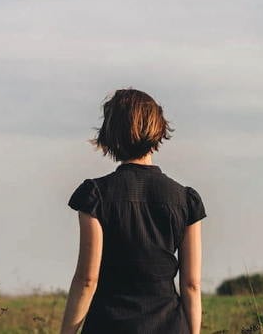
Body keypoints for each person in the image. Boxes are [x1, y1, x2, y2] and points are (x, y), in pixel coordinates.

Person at [60, 88, 207, 334]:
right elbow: (191, 284)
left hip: (108, 325)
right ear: (158, 129)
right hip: (168, 326)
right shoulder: (185, 199)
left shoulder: (95, 196)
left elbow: (87, 280)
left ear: (110, 134)